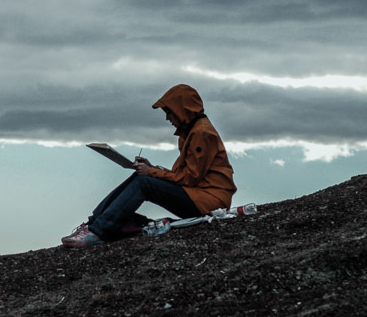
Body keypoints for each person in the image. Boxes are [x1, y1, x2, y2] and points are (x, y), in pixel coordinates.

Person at [62, 84, 236, 247]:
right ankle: (95, 223)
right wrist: (153, 169)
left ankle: (98, 231)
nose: (168, 117)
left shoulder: (202, 133)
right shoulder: (191, 132)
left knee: (143, 183)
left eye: (169, 111)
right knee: (142, 177)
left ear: (183, 109)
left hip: (209, 202)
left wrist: (152, 172)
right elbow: (186, 176)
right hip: (199, 195)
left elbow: (189, 179)